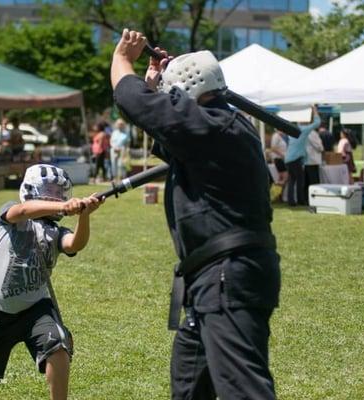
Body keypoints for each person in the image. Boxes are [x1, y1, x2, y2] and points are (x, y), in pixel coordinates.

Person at [111, 29, 280, 400]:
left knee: (244, 390)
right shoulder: (223, 125)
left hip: (227, 276)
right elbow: (167, 130)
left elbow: (132, 102)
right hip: (216, 278)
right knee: (189, 383)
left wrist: (123, 60)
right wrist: (156, 85)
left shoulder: (212, 125)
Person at [0, 164, 103, 400]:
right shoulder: (12, 214)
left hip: (36, 308)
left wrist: (85, 215)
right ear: (30, 188)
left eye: (60, 193)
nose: (56, 196)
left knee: (58, 348)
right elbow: (25, 210)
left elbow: (75, 245)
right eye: (49, 190)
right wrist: (63, 206)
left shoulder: (55, 231)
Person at [284, 107, 321, 206]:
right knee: (300, 180)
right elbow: (317, 123)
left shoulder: (292, 129)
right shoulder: (303, 129)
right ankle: (300, 200)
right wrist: (314, 110)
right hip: (295, 158)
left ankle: (291, 201)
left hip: (288, 158)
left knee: (292, 180)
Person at [304, 128, 324, 194]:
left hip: (309, 160)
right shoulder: (311, 133)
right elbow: (318, 146)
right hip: (312, 160)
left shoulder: (308, 131)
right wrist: (321, 148)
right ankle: (313, 196)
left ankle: (307, 197)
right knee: (313, 181)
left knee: (308, 180)